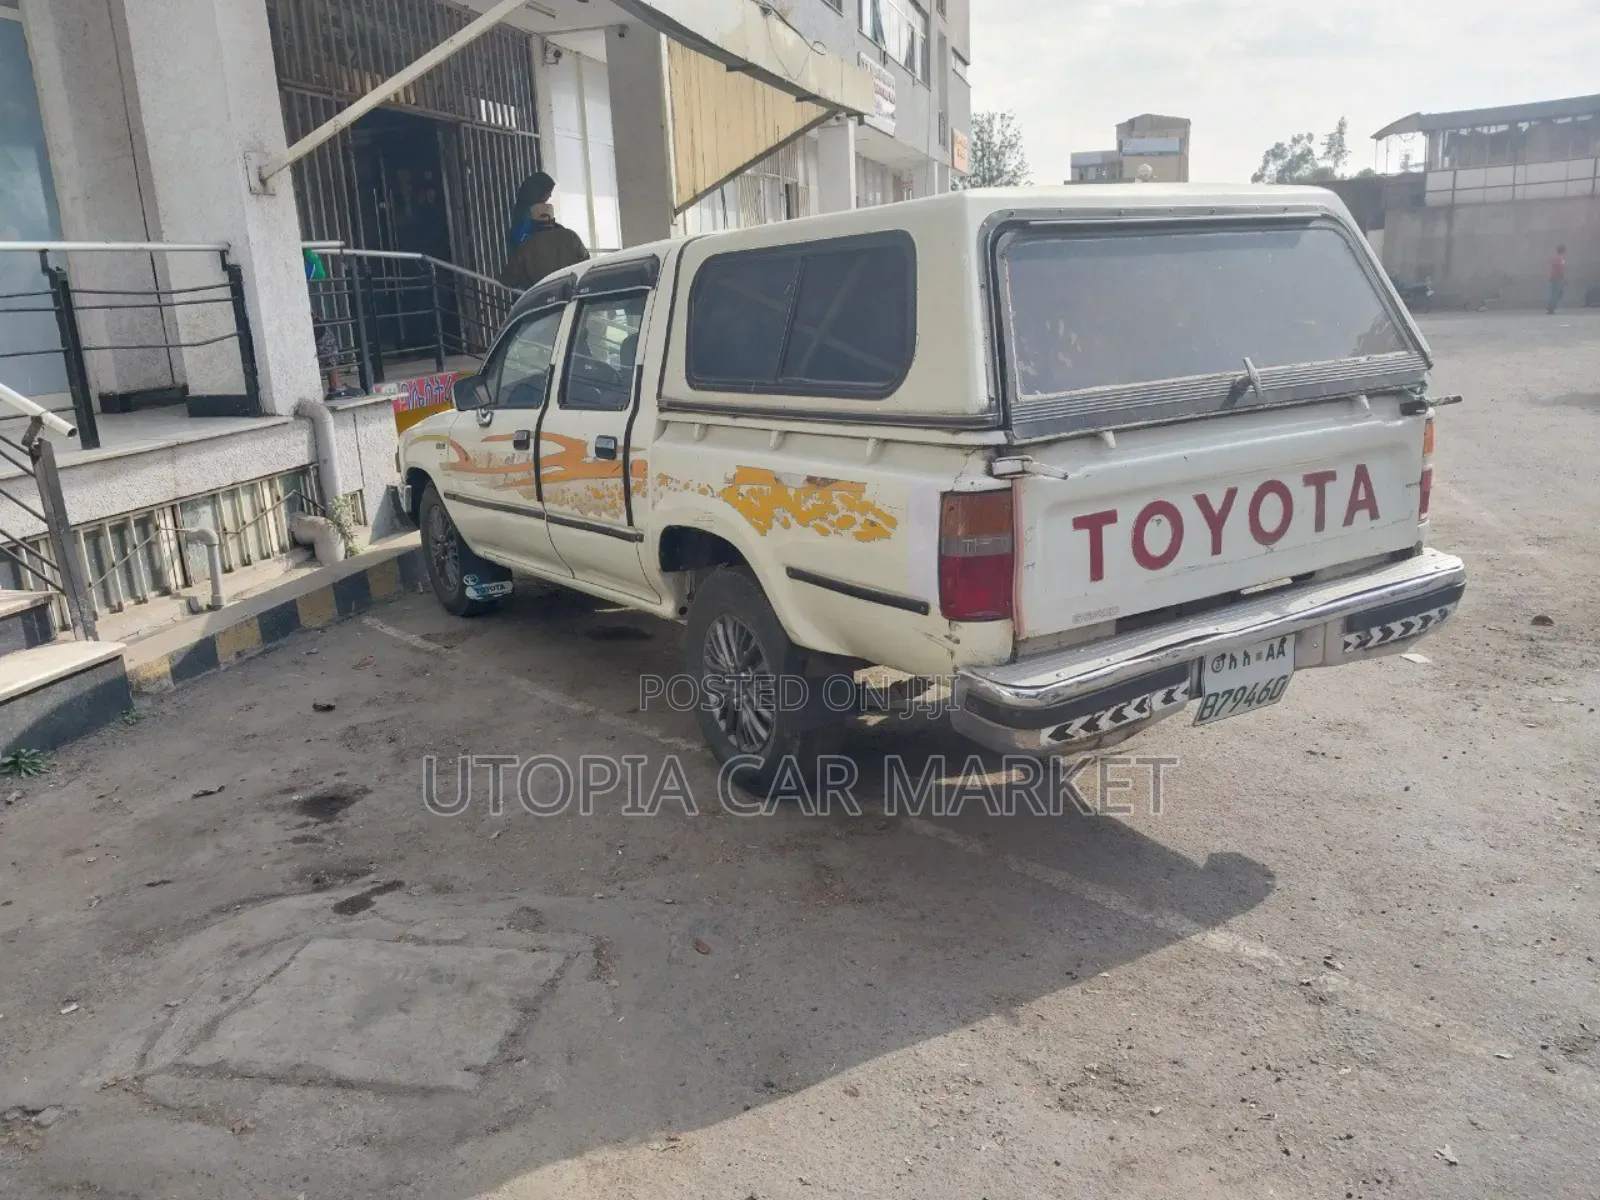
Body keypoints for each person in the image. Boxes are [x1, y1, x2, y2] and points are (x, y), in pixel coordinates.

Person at [498, 172, 589, 291]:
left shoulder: (524, 233)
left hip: (536, 291)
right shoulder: (568, 236)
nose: (550, 195)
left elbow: (511, 276)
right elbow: (585, 262)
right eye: (548, 191)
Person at [1548, 244, 1567, 314]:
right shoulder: (1559, 258)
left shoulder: (1557, 258)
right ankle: (1551, 307)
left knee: (1558, 293)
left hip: (1554, 277)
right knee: (1556, 293)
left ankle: (1551, 306)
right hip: (1556, 278)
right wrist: (1563, 279)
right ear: (1562, 250)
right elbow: (1560, 269)